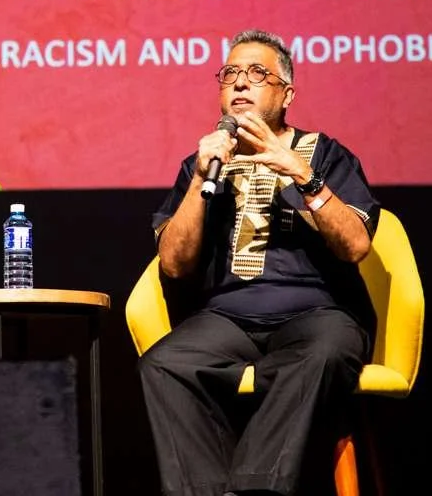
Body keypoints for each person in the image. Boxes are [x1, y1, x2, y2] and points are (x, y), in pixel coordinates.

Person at [139, 29, 379, 496]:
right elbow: (173, 264)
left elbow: (355, 247)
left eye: (256, 74)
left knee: (324, 353)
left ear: (286, 93)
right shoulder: (202, 163)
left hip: (316, 313)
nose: (241, 84)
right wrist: (199, 182)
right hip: (227, 318)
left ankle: (253, 489)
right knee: (164, 363)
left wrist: (299, 172)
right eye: (230, 74)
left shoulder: (325, 153)